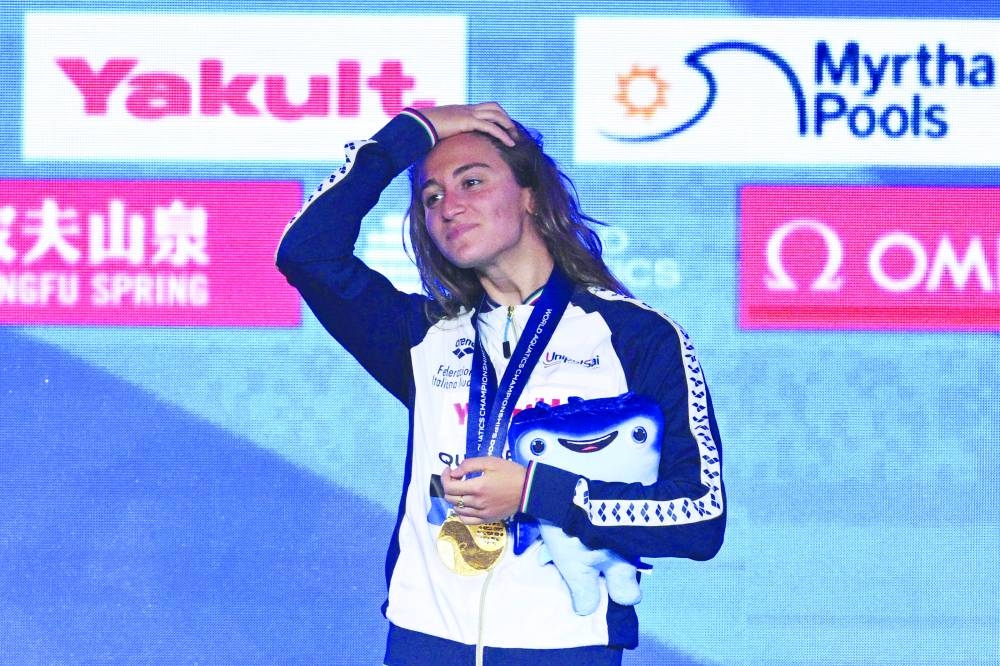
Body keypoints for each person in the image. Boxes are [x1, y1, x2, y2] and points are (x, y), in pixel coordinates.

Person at [275, 102, 725, 665]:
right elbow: (306, 252)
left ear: (530, 196)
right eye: (432, 196)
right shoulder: (424, 338)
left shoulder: (637, 337)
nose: (449, 206)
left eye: (472, 182)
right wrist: (411, 133)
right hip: (423, 642)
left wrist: (537, 493)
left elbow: (700, 514)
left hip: (565, 648)